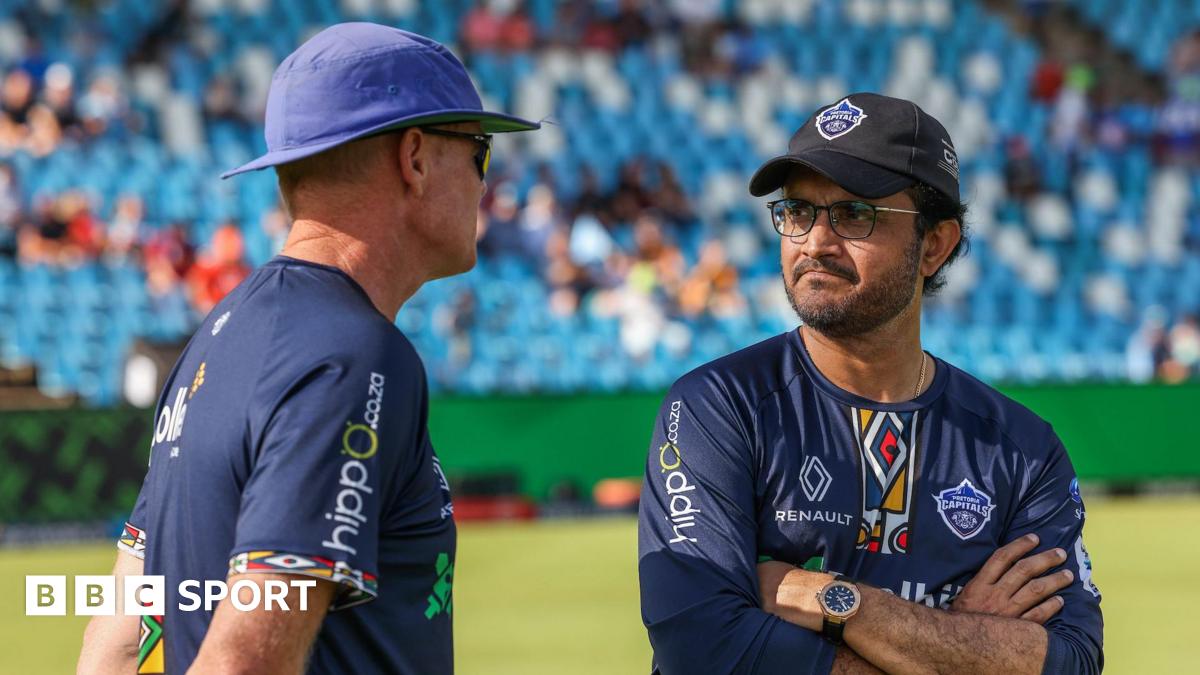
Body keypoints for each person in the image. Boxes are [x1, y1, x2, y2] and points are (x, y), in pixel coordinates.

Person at [77, 22, 539, 674]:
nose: (484, 181)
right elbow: (246, 660)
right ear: (413, 157)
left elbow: (117, 641)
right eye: (478, 151)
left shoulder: (216, 336)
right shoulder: (355, 354)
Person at [638, 93, 1102, 674]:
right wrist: (960, 642)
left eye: (855, 215)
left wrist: (840, 604)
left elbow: (1072, 661)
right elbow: (700, 646)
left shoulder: (1020, 449)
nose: (815, 242)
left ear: (935, 245)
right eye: (798, 211)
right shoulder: (718, 407)